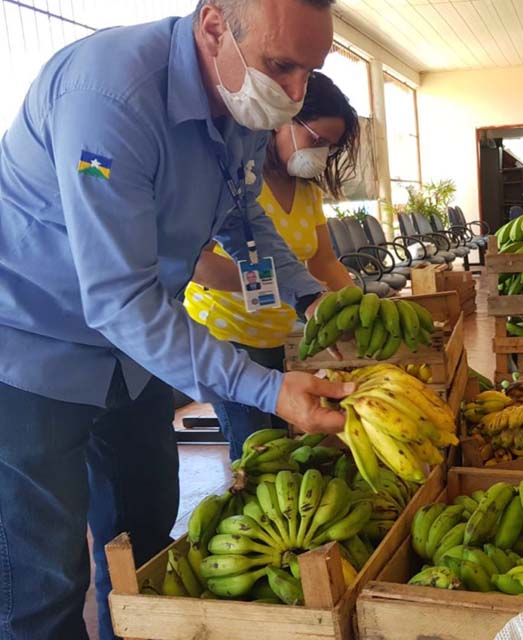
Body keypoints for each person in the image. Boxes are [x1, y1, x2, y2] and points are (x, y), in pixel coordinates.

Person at [0, 1, 356, 638]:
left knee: (144, 538)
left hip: (133, 358)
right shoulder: (109, 99)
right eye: (282, 65)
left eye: (310, 71)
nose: (296, 94)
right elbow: (116, 297)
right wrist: (267, 388)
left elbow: (246, 221)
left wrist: (310, 297)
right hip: (32, 348)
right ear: (216, 25)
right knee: (44, 581)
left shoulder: (241, 104)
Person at [186, 71, 358, 460]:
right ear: (282, 120)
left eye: (330, 147)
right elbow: (197, 263)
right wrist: (265, 284)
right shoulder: (238, 182)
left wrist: (355, 307)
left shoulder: (308, 192)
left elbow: (324, 260)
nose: (321, 154)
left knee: (280, 443)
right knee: (258, 451)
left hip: (273, 336)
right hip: (226, 334)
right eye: (316, 140)